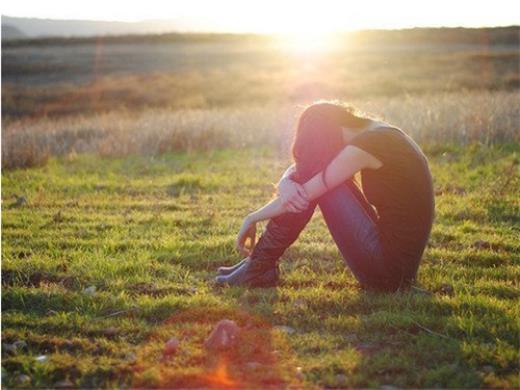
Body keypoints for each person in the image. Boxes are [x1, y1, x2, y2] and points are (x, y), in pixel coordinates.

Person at [216, 102, 435, 292]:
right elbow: (306, 168)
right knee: (320, 178)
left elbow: (306, 191)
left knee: (321, 185)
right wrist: (285, 181)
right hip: (399, 267)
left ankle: (259, 266)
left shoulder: (364, 148)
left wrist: (252, 218)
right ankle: (258, 264)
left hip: (388, 274)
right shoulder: (377, 132)